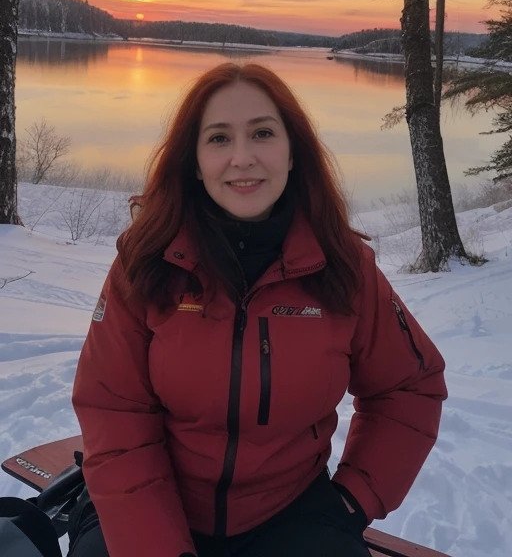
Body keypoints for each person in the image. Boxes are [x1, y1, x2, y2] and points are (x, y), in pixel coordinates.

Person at [70, 62, 447, 557]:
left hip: (289, 514)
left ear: (293, 153)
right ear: (194, 161)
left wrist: (353, 500)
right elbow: (114, 410)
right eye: (219, 138)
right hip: (146, 505)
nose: (242, 158)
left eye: (263, 133)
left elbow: (409, 387)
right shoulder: (146, 263)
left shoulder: (342, 267)